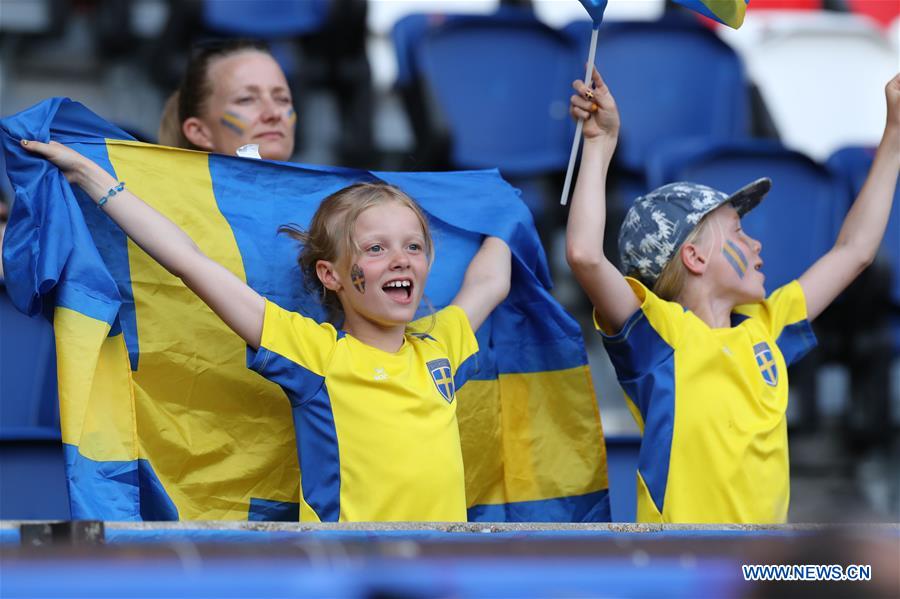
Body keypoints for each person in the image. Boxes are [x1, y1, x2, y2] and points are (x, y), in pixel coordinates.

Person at [21, 140, 512, 522]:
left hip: (447, 566)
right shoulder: (315, 353)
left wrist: (504, 209)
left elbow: (491, 278)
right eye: (376, 249)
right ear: (331, 274)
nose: (401, 258)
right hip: (350, 571)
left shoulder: (441, 344)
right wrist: (91, 176)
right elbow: (190, 262)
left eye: (413, 246)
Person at [565, 68, 900, 523]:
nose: (756, 244)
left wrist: (895, 133)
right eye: (739, 234)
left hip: (762, 577)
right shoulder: (659, 337)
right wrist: (599, 145)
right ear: (694, 258)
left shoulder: (769, 323)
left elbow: (855, 251)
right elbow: (584, 255)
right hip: (684, 576)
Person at [157, 39, 296, 162]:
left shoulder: (317, 190)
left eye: (282, 99)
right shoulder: (152, 192)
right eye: (246, 99)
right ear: (199, 132)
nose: (273, 113)